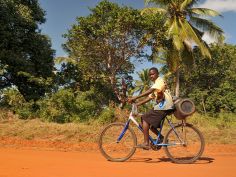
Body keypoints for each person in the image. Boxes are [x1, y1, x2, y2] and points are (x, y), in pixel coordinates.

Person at [128, 67, 174, 150]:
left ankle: (146, 143)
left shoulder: (159, 81)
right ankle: (163, 139)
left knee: (144, 118)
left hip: (165, 105)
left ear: (157, 74)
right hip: (164, 106)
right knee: (151, 126)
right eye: (150, 75)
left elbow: (149, 91)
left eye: (153, 74)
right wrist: (137, 104)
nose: (151, 76)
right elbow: (149, 97)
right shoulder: (157, 85)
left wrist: (135, 97)